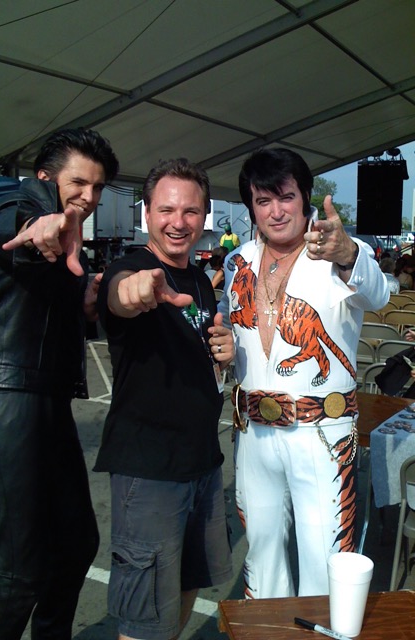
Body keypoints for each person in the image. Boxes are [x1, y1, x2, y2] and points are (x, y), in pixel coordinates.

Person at [0, 128, 119, 640]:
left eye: (98, 188)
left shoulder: (72, 243)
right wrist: (40, 225)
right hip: (5, 402)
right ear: (45, 176)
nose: (89, 198)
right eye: (78, 183)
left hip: (46, 405)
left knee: (76, 544)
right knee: (19, 568)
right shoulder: (18, 206)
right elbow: (10, 228)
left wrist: (87, 303)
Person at [218, 147, 389, 599]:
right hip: (253, 434)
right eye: (263, 201)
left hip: (322, 435)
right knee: (261, 553)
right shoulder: (237, 264)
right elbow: (236, 339)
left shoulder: (339, 251)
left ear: (306, 196)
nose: (276, 212)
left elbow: (378, 295)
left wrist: (350, 251)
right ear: (251, 206)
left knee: (326, 559)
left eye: (286, 197)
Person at [95, 158, 234, 640]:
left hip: (202, 462)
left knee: (187, 585)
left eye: (191, 211)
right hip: (150, 469)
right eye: (167, 210)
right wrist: (129, 293)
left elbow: (202, 353)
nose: (179, 222)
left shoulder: (198, 279)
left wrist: (224, 353)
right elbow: (119, 296)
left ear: (204, 216)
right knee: (144, 615)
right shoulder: (132, 267)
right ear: (147, 214)